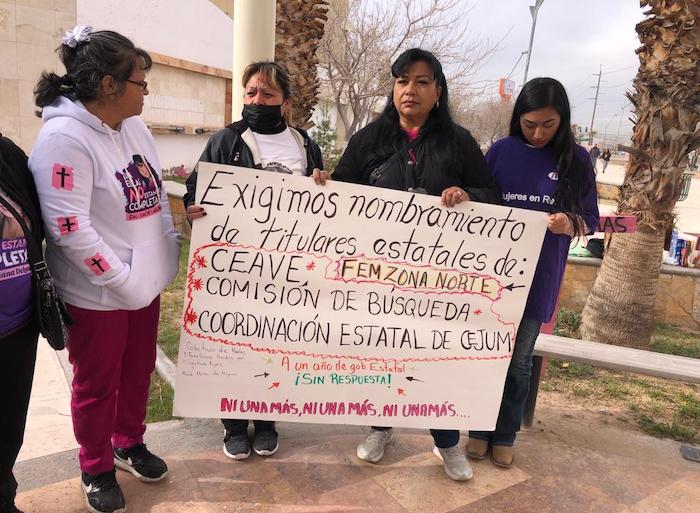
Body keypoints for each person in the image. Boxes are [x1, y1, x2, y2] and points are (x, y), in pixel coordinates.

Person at [312, 48, 500, 481]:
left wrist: (467, 196)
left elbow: (494, 197)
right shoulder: (369, 140)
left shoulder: (460, 142)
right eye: (401, 81)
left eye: (420, 81)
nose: (409, 90)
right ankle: (381, 427)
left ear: (438, 90)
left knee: (437, 357)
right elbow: (341, 197)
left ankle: (447, 441)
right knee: (384, 353)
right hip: (378, 278)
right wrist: (324, 184)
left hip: (442, 281)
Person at [28, 26, 180, 513]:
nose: (146, 91)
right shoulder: (63, 139)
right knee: (97, 383)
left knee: (137, 372)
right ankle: (95, 466)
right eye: (140, 82)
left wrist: (167, 247)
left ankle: (127, 442)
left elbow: (152, 194)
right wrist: (121, 280)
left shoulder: (132, 127)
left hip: (143, 281)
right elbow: (69, 230)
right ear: (109, 85)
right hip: (97, 293)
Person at [184, 61, 323, 461]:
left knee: (274, 343)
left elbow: (319, 195)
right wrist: (195, 207)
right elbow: (198, 188)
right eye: (251, 93)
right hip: (236, 267)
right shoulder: (226, 140)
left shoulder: (302, 143)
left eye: (267, 94)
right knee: (236, 342)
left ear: (286, 102)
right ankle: (232, 424)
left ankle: (265, 421)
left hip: (286, 267)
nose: (257, 100)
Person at [466, 77, 599, 468]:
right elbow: (481, 197)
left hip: (539, 277)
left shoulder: (577, 160)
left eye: (548, 125)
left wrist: (569, 224)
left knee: (519, 360)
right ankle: (477, 428)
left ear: (563, 121)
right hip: (489, 277)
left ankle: (505, 434)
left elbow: (590, 219)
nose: (538, 133)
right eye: (529, 124)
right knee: (485, 354)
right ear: (517, 119)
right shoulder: (502, 152)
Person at [0, 135, 43, 513]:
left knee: (8, 426)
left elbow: (40, 214)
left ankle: (2, 504)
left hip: (17, 324)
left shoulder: (7, 153)